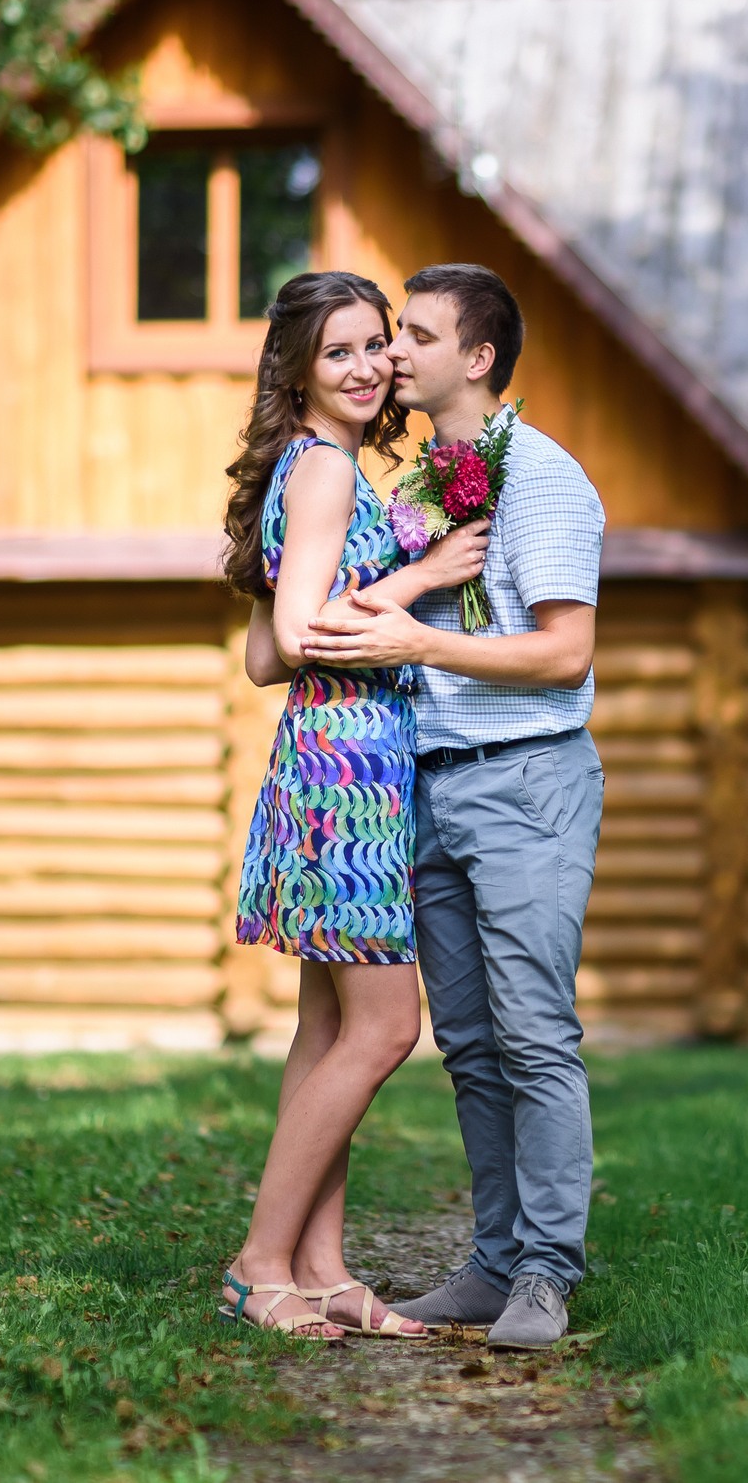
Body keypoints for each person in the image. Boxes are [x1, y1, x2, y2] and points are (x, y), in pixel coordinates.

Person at [300, 263, 604, 1351]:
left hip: (527, 779)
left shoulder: (547, 482)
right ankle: (490, 1259)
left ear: (476, 358)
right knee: (470, 1043)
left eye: (414, 337)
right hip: (428, 784)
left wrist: (417, 636)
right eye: (388, 337)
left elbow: (567, 654)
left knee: (532, 1032)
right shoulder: (428, 482)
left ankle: (547, 1271)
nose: (390, 355)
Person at [214, 270, 490, 1341]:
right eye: (340, 351)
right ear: (297, 371)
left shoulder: (313, 470)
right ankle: (256, 1262)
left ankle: (319, 1267)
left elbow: (256, 658)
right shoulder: (324, 469)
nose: (371, 364)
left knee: (326, 1024)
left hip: (328, 759)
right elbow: (295, 631)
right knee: (385, 1027)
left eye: (378, 343)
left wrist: (393, 555)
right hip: (349, 778)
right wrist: (421, 580)